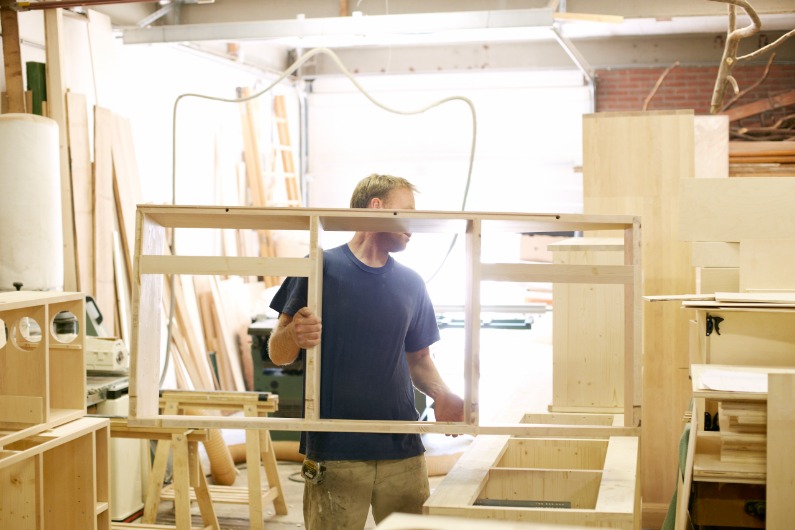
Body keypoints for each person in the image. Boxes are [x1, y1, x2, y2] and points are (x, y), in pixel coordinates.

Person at [267, 173, 464, 530]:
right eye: (408, 211)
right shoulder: (318, 266)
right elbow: (278, 353)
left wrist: (443, 394)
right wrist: (294, 334)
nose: (414, 225)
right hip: (335, 452)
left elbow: (419, 360)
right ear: (377, 207)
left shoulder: (412, 283)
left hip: (402, 449)